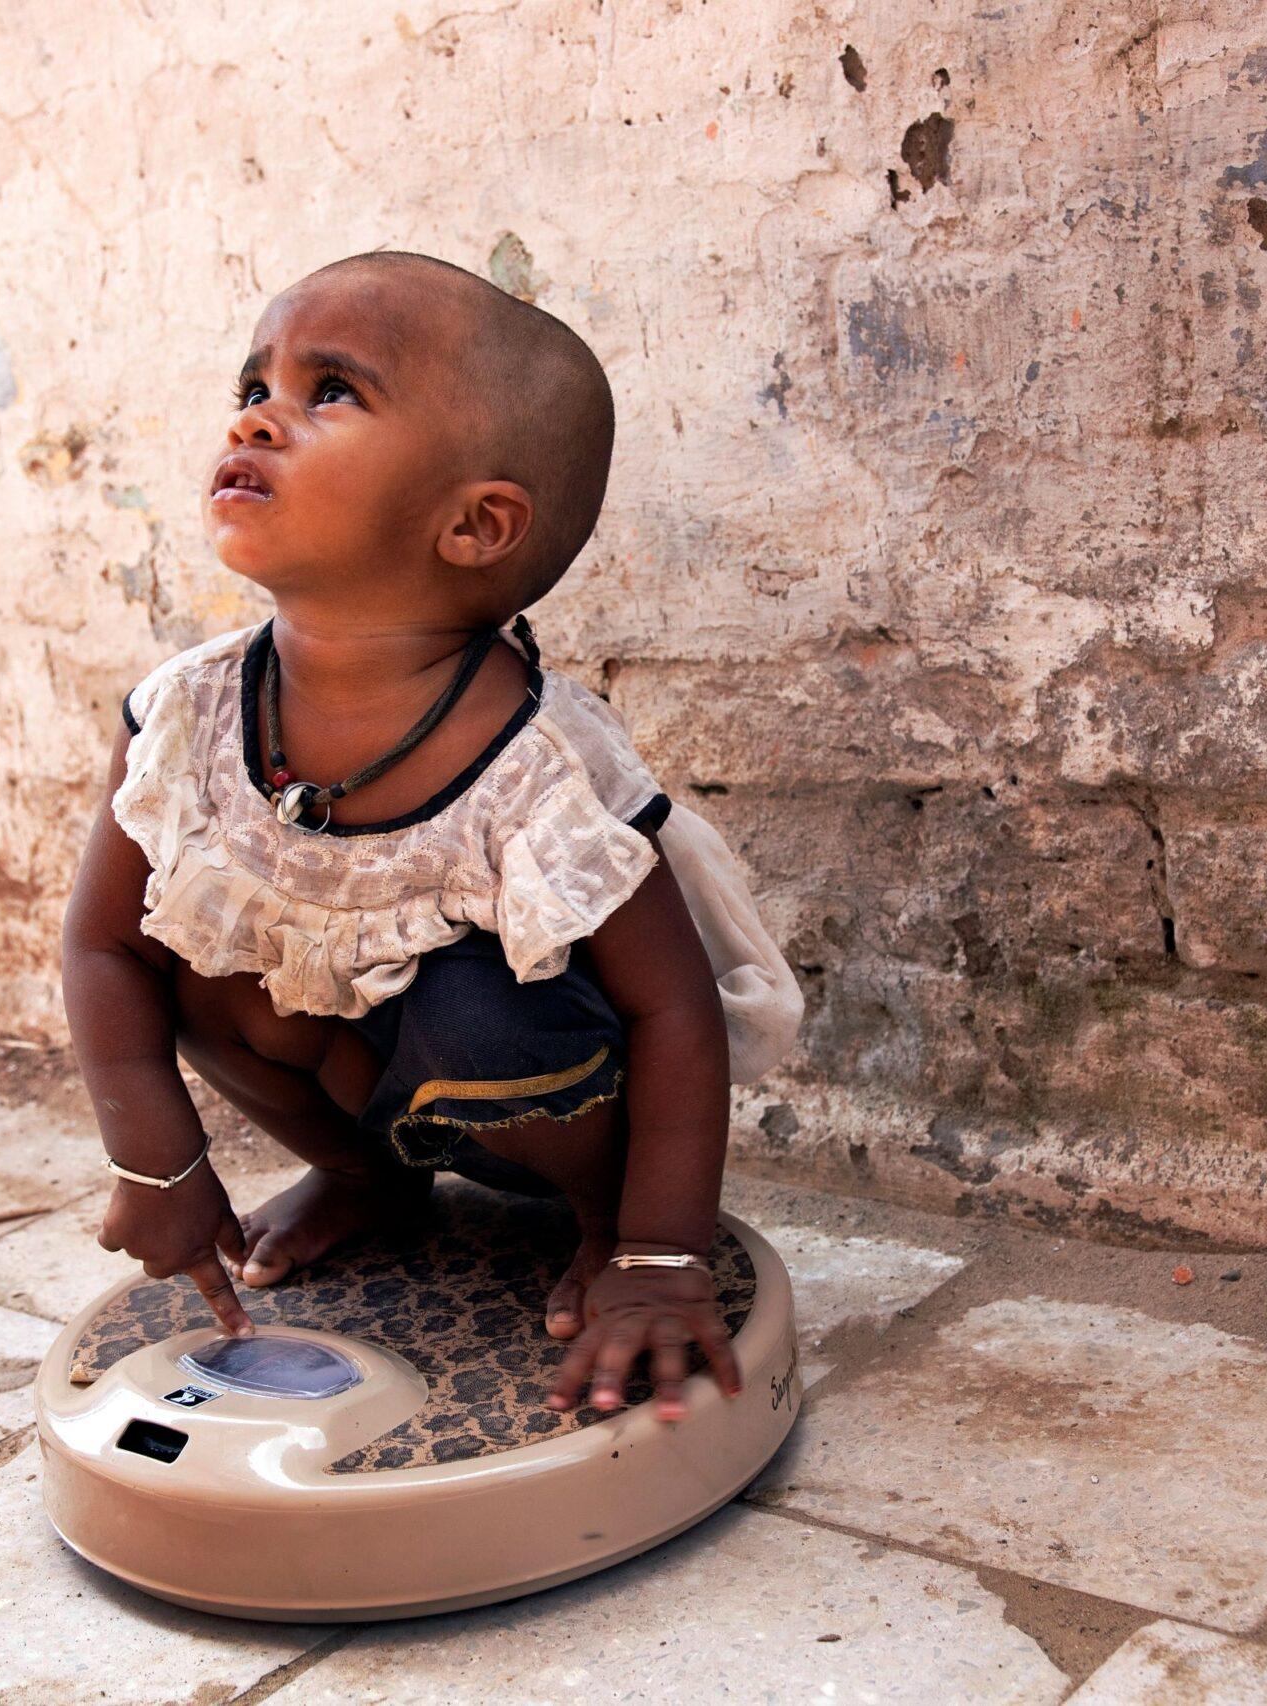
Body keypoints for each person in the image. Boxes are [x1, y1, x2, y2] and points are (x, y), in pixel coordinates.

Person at [60, 250, 802, 1421]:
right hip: (366, 1088)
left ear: (473, 524)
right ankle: (370, 1181)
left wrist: (665, 1249)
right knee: (200, 960)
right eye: (253, 385)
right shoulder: (188, 717)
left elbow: (672, 1012)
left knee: (481, 1012)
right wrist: (158, 1159)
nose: (258, 415)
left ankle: (603, 1228)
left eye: (329, 391)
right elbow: (103, 950)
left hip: (544, 1100)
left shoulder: (539, 761)